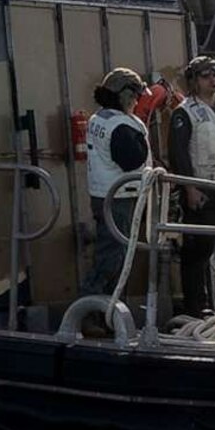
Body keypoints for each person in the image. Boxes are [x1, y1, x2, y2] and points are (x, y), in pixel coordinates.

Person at [167, 54, 215, 319]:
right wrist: (189, 188)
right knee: (199, 249)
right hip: (202, 186)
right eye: (206, 76)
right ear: (193, 81)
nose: (213, 80)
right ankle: (196, 306)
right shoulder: (184, 112)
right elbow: (178, 154)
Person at [82, 66, 150, 300]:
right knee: (114, 256)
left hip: (104, 193)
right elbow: (132, 159)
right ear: (126, 95)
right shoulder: (122, 125)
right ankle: (90, 310)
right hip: (120, 196)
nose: (137, 102)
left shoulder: (99, 118)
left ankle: (105, 312)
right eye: (136, 96)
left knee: (113, 254)